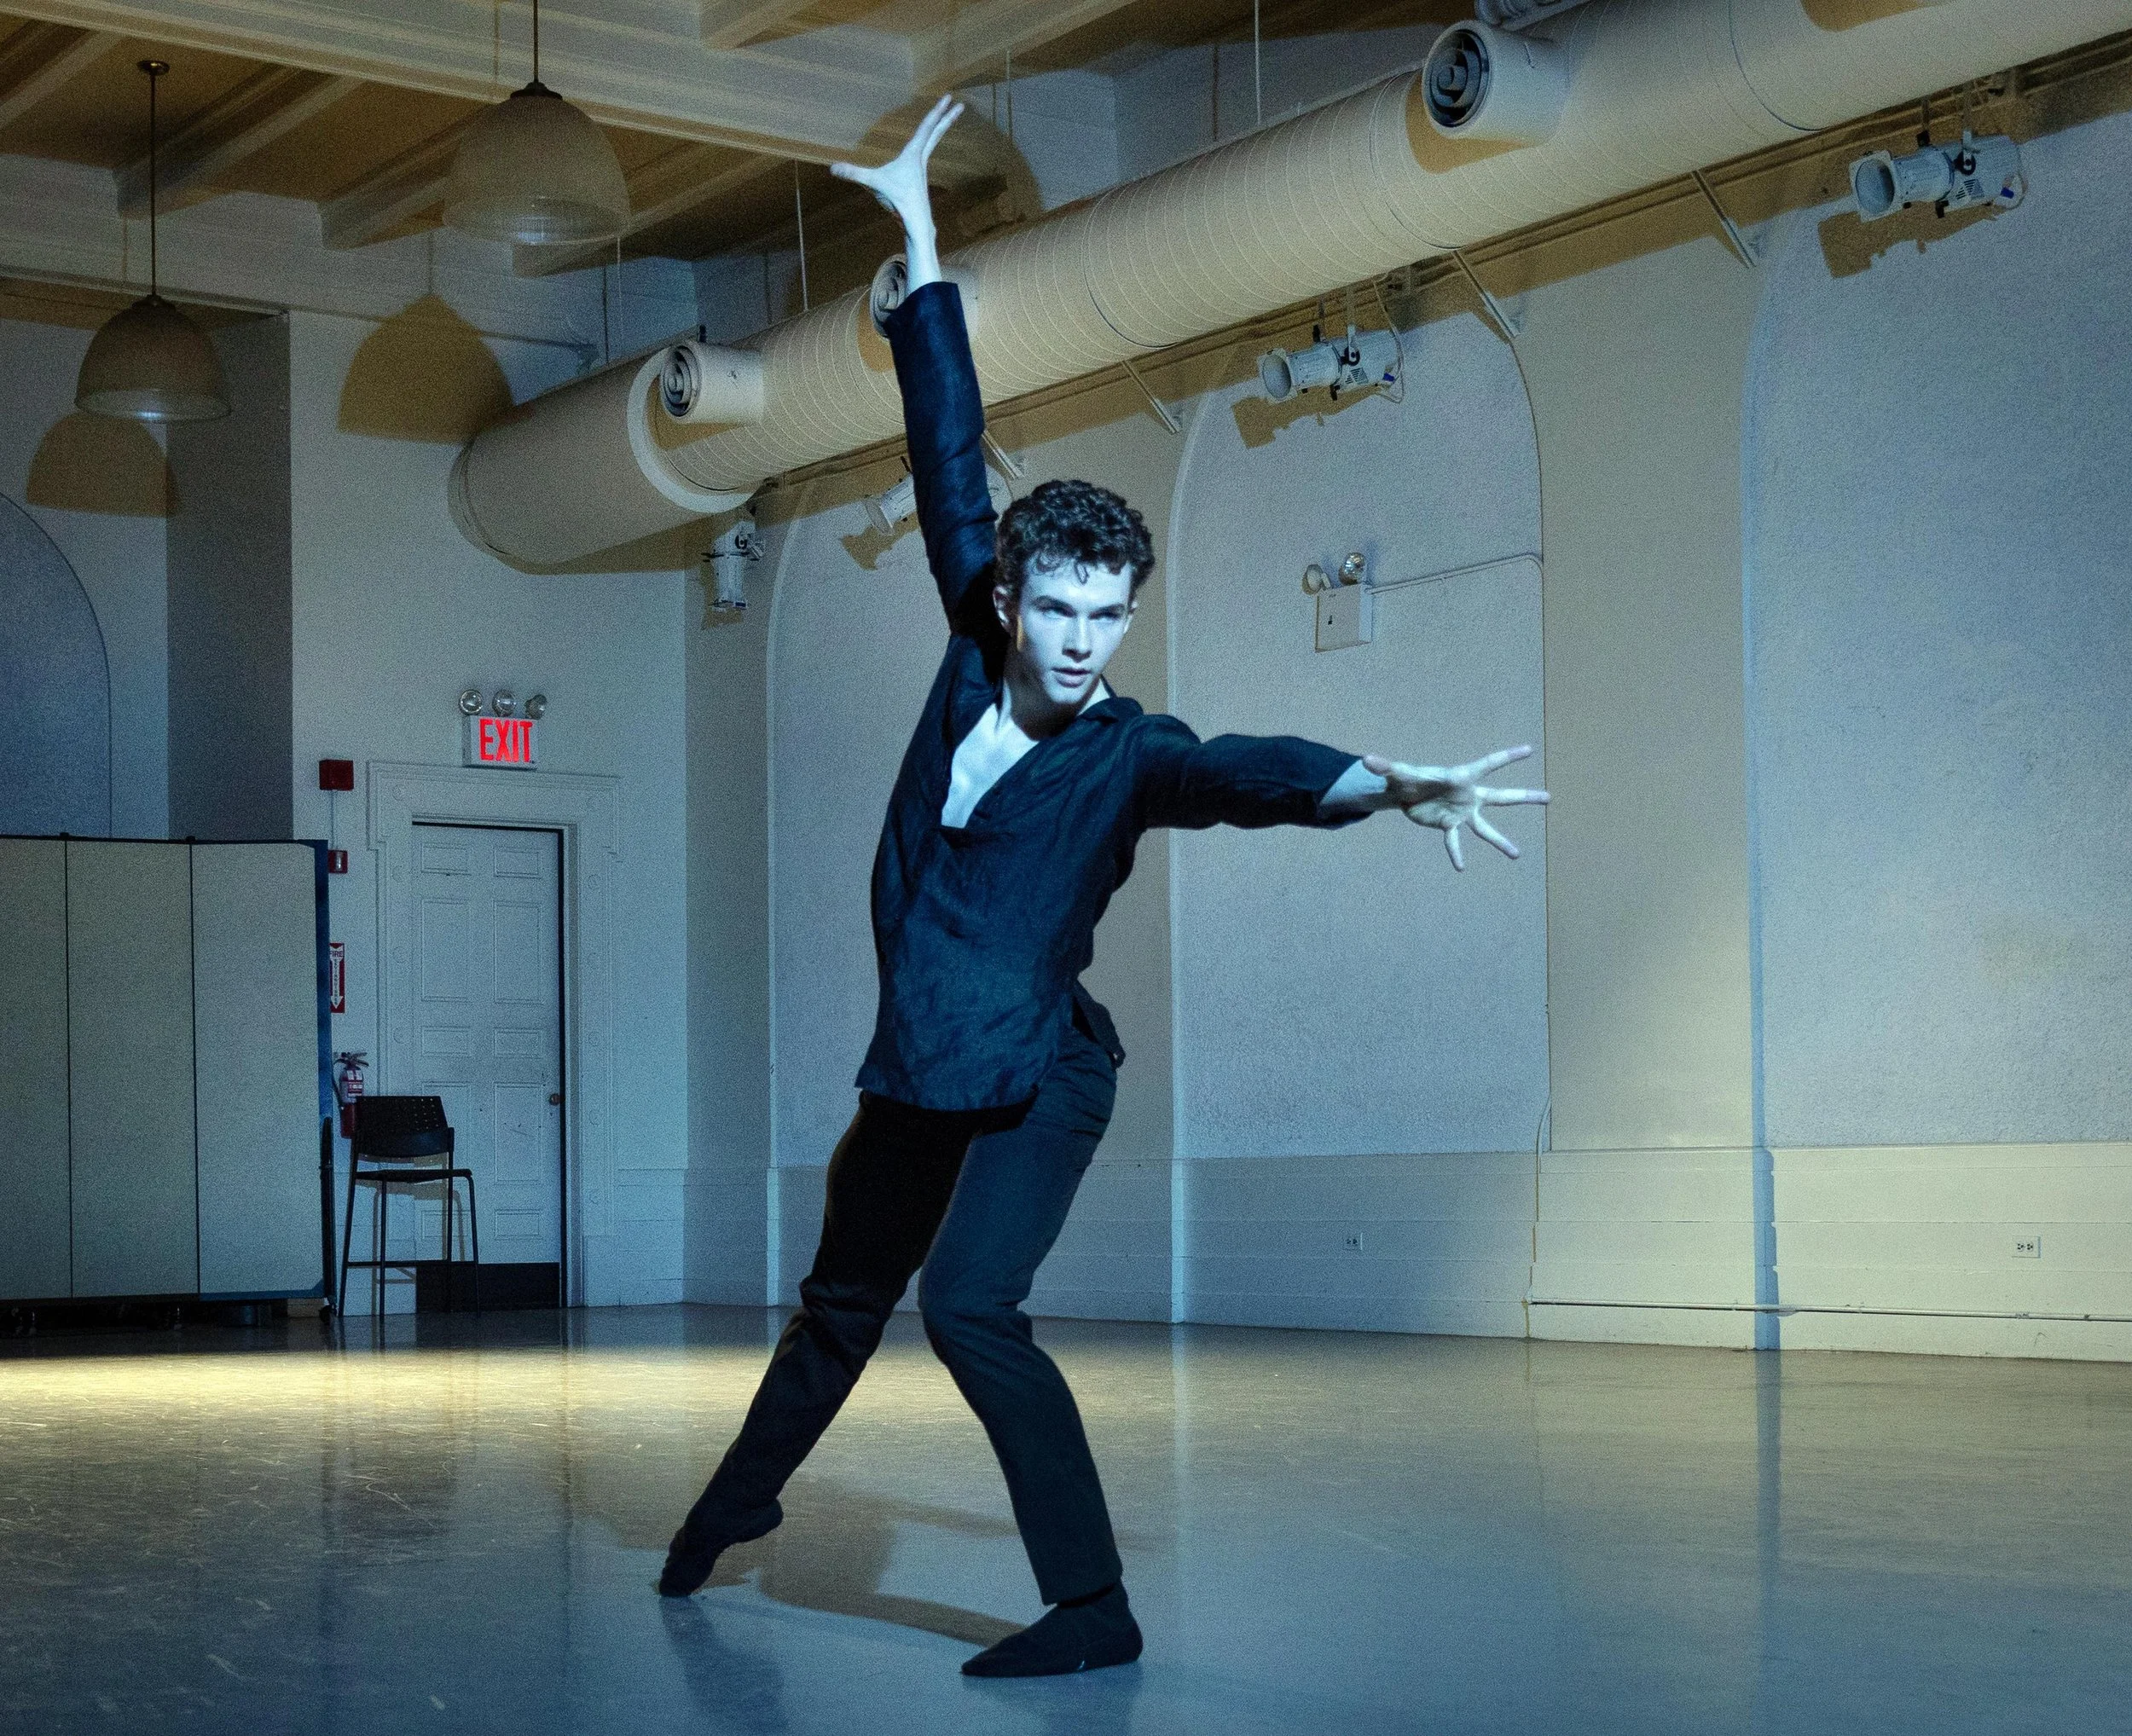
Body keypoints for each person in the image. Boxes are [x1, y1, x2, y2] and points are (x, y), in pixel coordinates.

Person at [658, 95, 1550, 1678]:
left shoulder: (1129, 750)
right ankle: (736, 1506)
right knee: (839, 1306)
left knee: (972, 1311)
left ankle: (1092, 1608)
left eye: (1108, 614)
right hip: (924, 1067)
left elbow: (1242, 771)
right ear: (1006, 596)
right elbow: (944, 447)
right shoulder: (964, 652)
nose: (1080, 639)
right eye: (1057, 606)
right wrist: (920, 251)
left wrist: (1382, 782)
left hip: (1043, 1080)